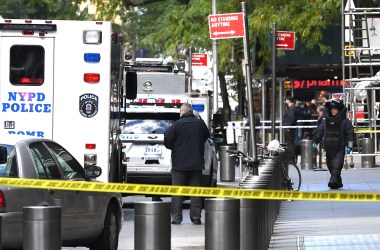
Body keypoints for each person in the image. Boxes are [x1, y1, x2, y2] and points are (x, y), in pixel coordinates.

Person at [164, 103, 210, 225]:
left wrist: (175, 147)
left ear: (182, 112)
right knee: (195, 192)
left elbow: (167, 140)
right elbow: (206, 136)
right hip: (196, 164)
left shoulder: (176, 125)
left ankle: (176, 218)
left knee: (177, 192)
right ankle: (196, 218)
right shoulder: (200, 124)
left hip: (179, 165)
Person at [312, 99, 354, 189]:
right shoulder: (325, 121)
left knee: (337, 165)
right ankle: (337, 182)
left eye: (335, 109)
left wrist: (350, 146)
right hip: (328, 147)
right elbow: (319, 132)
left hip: (340, 147)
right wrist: (315, 141)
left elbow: (350, 134)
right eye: (332, 109)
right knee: (330, 166)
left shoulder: (345, 121)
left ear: (339, 110)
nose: (333, 110)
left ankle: (333, 180)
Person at [282, 96, 298, 163]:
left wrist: (288, 126)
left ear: (288, 100)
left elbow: (291, 118)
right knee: (289, 143)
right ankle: (290, 158)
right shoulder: (291, 108)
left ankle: (291, 159)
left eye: (285, 100)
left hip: (289, 128)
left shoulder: (292, 108)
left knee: (290, 143)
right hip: (288, 128)